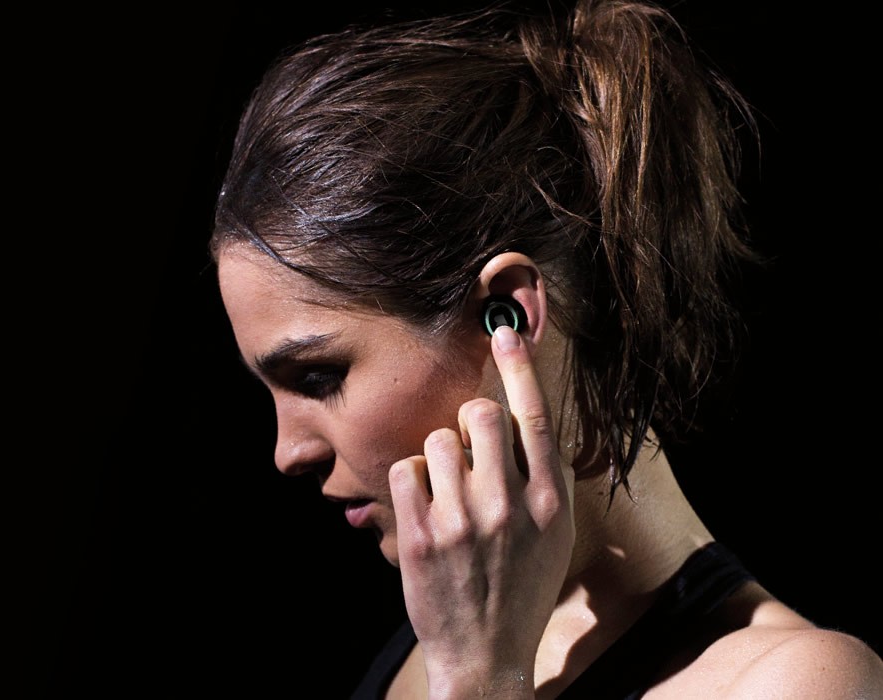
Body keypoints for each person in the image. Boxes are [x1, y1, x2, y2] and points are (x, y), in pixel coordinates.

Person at [207, 0, 883, 697]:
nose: (287, 452)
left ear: (507, 316)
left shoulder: (793, 681)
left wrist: (481, 678)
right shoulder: (432, 630)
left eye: (319, 376)